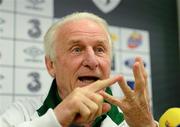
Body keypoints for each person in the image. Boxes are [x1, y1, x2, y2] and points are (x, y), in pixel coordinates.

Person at [0, 12, 158, 127]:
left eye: (100, 49)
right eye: (77, 49)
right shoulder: (22, 114)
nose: (92, 61)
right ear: (51, 65)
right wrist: (56, 119)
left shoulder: (132, 120)